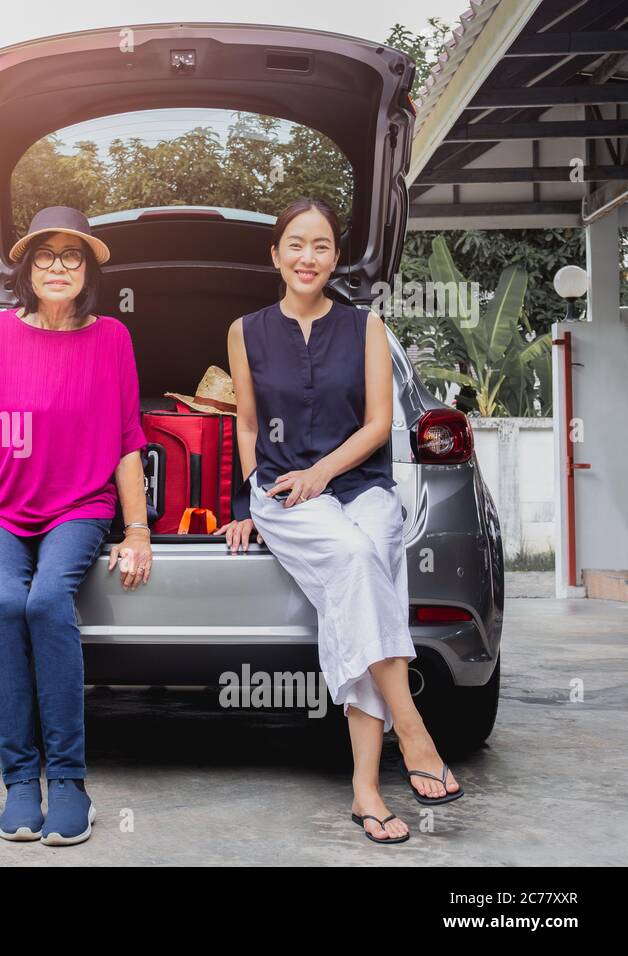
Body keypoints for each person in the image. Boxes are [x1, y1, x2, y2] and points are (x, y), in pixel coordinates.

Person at [220, 197, 464, 846]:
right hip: (285, 496)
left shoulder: (367, 328)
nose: (309, 257)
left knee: (363, 574)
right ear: (274, 255)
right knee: (359, 565)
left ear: (335, 257)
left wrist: (323, 472)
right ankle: (411, 734)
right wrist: (246, 503)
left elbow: (381, 424)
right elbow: (246, 422)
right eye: (296, 244)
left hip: (361, 486)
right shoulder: (245, 331)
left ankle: (365, 790)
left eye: (322, 245)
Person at [0, 206, 152, 846]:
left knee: (48, 601)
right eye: (46, 257)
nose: (59, 268)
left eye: (72, 257)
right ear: (29, 268)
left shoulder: (111, 338)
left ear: (87, 271)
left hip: (78, 507)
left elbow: (127, 441)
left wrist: (137, 532)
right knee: (3, 603)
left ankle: (71, 783)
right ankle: (20, 781)